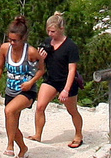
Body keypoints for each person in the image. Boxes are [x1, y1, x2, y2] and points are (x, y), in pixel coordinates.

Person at [0, 15, 45, 158]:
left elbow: (41, 69)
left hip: (26, 90)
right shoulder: (5, 48)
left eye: (15, 40)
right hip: (10, 89)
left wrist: (31, 82)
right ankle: (22, 148)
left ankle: (10, 145)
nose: (12, 42)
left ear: (23, 39)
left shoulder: (31, 52)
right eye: (10, 39)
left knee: (9, 110)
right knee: (11, 122)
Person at [32, 11, 84, 147]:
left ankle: (78, 134)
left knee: (72, 110)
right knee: (40, 106)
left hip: (67, 81)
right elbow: (41, 66)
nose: (50, 34)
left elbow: (72, 70)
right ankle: (38, 135)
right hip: (51, 79)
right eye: (48, 31)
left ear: (61, 29)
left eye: (53, 31)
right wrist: (40, 58)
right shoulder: (47, 42)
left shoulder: (70, 46)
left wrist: (66, 90)